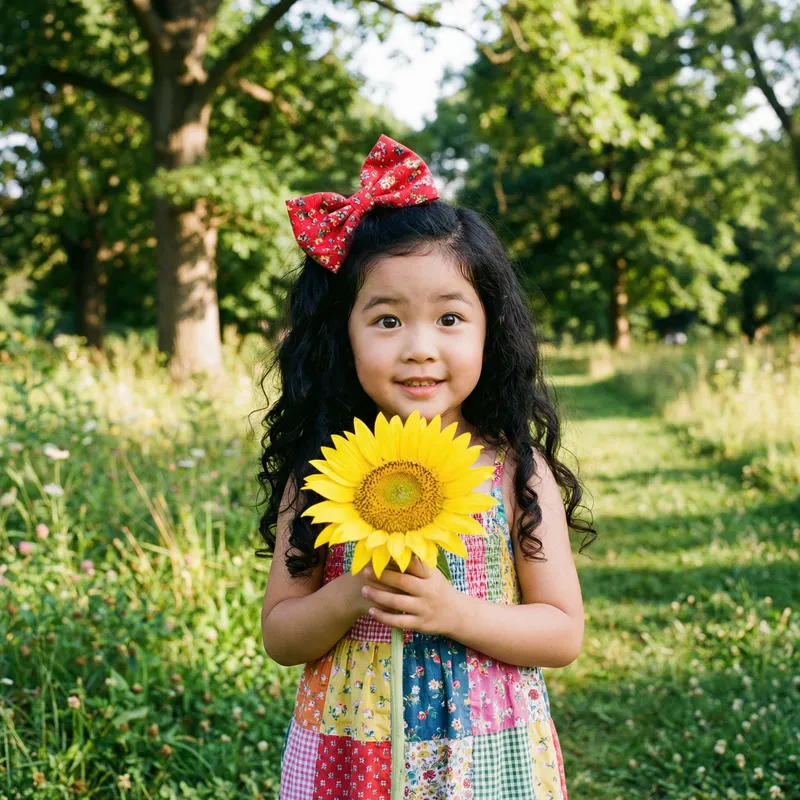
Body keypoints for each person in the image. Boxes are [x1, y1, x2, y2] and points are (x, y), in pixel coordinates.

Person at [257, 134, 596, 800]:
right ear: (342, 333)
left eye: (449, 317)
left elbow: (561, 632)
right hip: (350, 749)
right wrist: (351, 595)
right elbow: (281, 633)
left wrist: (452, 611)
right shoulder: (325, 473)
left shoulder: (512, 471)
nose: (418, 348)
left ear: (488, 330)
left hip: (487, 752)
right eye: (386, 320)